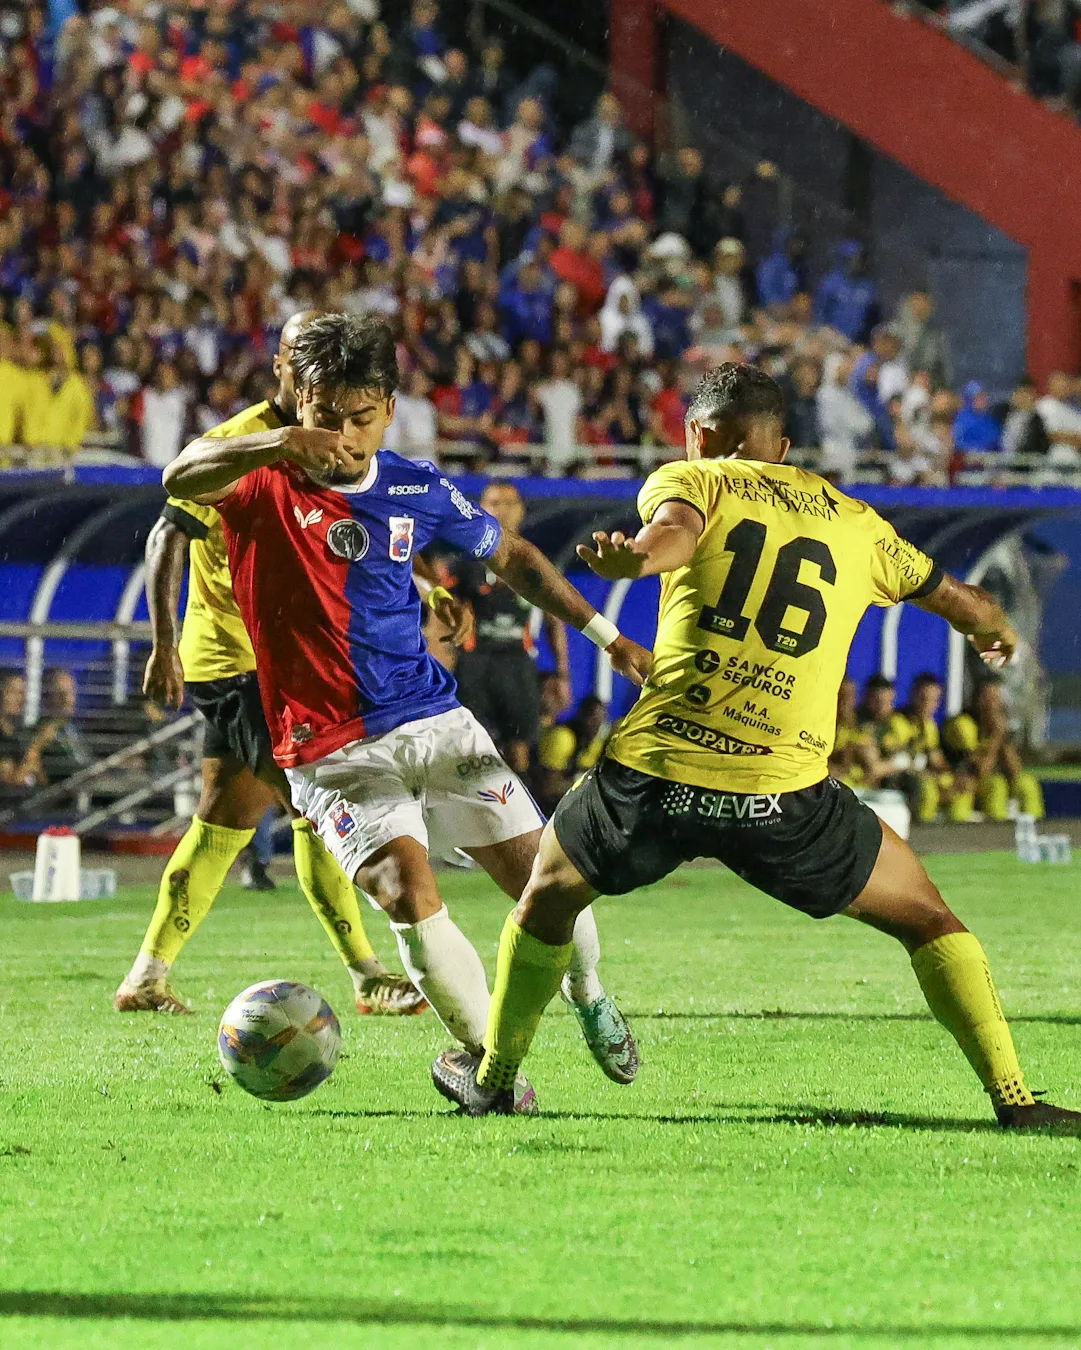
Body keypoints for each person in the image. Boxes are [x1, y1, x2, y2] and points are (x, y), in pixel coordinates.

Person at [431, 361, 1081, 1131]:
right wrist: (994, 629)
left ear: (702, 434)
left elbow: (671, 536)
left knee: (544, 903)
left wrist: (634, 560)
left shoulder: (695, 478)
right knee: (930, 921)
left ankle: (496, 1077)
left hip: (652, 780)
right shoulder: (855, 521)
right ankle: (1014, 1101)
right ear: (780, 444)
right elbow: (960, 601)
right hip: (783, 797)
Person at [162, 312, 651, 1098]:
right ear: (298, 400)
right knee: (407, 893)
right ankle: (492, 1067)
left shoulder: (414, 486)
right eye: (324, 415)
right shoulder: (259, 479)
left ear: (387, 409)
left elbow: (513, 558)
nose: (342, 436)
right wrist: (278, 443)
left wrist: (606, 636)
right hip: (328, 747)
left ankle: (589, 994)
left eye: (359, 418)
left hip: (433, 720)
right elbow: (178, 475)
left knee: (545, 882)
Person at [115, 314, 426, 1018]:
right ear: (282, 363)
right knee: (316, 808)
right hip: (236, 658)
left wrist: (426, 590)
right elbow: (169, 530)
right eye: (300, 358)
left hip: (282, 662)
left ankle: (146, 977)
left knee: (223, 820)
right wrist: (163, 641)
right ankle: (370, 973)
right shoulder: (241, 443)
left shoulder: (335, 442)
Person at [943, 676, 1045, 823]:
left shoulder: (1000, 724)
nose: (991, 705)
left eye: (995, 699)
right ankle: (994, 836)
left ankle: (1034, 833)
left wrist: (1003, 738)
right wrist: (996, 736)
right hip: (960, 779)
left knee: (1027, 784)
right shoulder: (962, 725)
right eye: (986, 699)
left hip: (986, 778)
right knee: (996, 786)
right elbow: (978, 770)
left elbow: (1014, 770)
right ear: (975, 699)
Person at [858, 674, 937, 822]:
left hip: (886, 785)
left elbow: (911, 754)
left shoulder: (895, 724)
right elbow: (874, 770)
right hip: (860, 786)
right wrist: (900, 763)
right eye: (878, 702)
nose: (884, 708)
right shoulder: (861, 726)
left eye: (889, 702)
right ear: (867, 699)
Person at [900, 672, 955, 824]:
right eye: (923, 699)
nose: (928, 705)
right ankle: (924, 836)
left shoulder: (929, 726)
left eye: (933, 700)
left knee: (951, 784)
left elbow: (936, 760)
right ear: (913, 696)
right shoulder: (899, 722)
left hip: (920, 773)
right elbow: (899, 760)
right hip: (898, 777)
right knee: (927, 790)